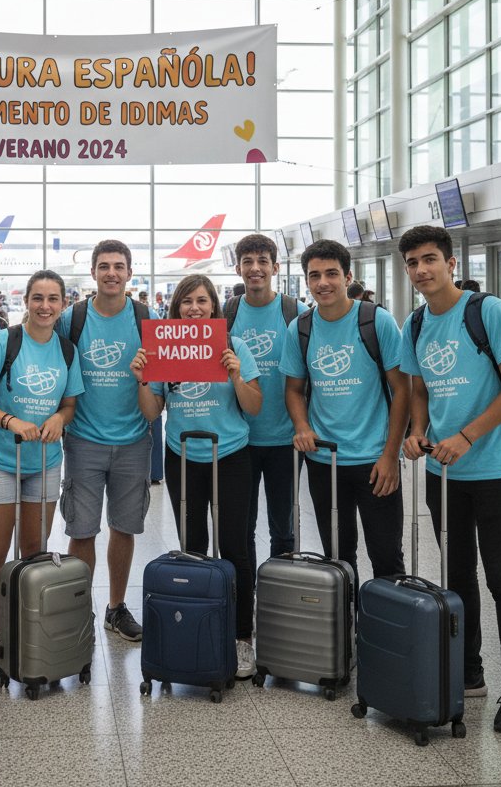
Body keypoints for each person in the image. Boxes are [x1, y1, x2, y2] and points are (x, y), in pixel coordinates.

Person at [398, 225, 501, 733]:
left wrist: (467, 436)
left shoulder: (487, 311)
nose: (421, 270)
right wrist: (418, 432)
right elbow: (419, 390)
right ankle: (469, 670)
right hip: (444, 472)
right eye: (413, 263)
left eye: (430, 259)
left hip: (496, 468)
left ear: (451, 263)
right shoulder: (415, 324)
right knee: (457, 578)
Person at [131, 273, 262, 679]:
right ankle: (199, 626)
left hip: (231, 455)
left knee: (236, 547)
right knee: (193, 545)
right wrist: (143, 379)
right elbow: (152, 412)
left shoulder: (233, 345)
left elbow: (254, 407)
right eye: (187, 302)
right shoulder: (164, 348)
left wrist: (236, 375)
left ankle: (241, 636)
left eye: (202, 301)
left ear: (214, 306)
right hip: (183, 456)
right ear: (176, 308)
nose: (194, 308)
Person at [0, 270, 84, 670]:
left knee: (35, 550)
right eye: (37, 298)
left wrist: (60, 419)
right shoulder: (4, 342)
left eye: (53, 299)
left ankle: (28, 628)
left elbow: (70, 404)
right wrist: (9, 421)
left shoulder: (67, 350)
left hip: (44, 463)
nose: (45, 306)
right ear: (26, 301)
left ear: (63, 304)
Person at [282, 239, 409, 586]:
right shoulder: (301, 329)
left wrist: (391, 455)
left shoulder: (376, 321)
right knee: (337, 557)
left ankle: (385, 619)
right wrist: (302, 426)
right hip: (325, 461)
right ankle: (345, 619)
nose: (323, 282)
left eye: (331, 274)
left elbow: (403, 390)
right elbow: (293, 389)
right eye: (314, 275)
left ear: (348, 277)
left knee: (387, 556)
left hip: (375, 460)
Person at [56, 240, 155, 644]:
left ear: (130, 273)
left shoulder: (147, 319)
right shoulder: (72, 319)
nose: (111, 273)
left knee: (124, 528)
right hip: (83, 440)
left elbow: (163, 379)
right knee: (81, 531)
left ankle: (116, 607)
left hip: (134, 440)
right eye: (104, 266)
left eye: (118, 266)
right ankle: (79, 610)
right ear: (93, 272)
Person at [226, 233, 305, 580]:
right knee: (242, 525)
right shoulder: (226, 314)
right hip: (239, 439)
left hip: (285, 439)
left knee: (283, 527)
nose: (255, 268)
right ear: (238, 268)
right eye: (248, 262)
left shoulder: (295, 313)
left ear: (275, 267)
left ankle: (278, 589)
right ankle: (246, 592)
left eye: (262, 261)